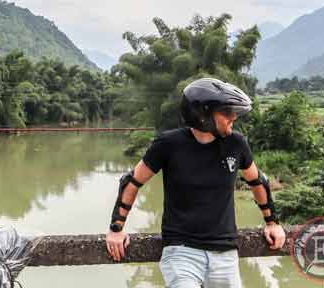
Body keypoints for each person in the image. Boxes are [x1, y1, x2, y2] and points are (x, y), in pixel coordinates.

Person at [105, 77, 286, 287]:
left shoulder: (236, 143)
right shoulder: (169, 144)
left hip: (225, 252)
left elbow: (257, 182)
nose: (234, 117)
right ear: (203, 115)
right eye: (226, 112)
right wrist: (116, 229)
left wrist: (272, 223)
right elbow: (132, 181)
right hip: (181, 251)